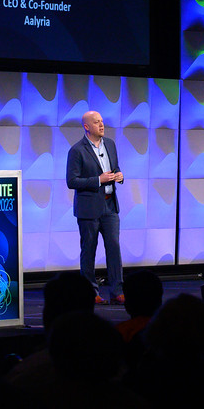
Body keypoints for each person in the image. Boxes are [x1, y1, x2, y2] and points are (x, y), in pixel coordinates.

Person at [66, 110, 124, 304]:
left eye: (102, 121)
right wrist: (98, 180)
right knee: (89, 250)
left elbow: (114, 168)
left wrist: (119, 175)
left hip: (110, 205)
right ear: (86, 126)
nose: (101, 125)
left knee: (114, 248)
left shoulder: (110, 144)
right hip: (89, 208)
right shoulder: (77, 150)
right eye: (97, 122)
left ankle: (117, 292)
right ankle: (90, 293)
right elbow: (72, 181)